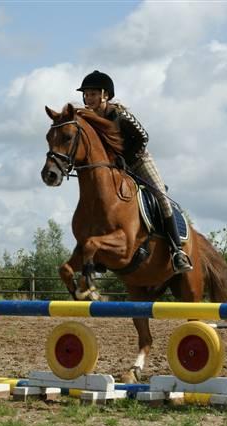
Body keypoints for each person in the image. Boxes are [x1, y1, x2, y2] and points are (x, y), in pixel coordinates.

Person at [77, 70, 193, 274]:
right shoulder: (88, 120)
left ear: (105, 95)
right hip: (113, 167)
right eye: (86, 94)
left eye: (93, 93)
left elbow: (142, 137)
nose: (88, 98)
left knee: (161, 197)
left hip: (138, 160)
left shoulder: (120, 116)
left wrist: (126, 158)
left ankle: (177, 251)